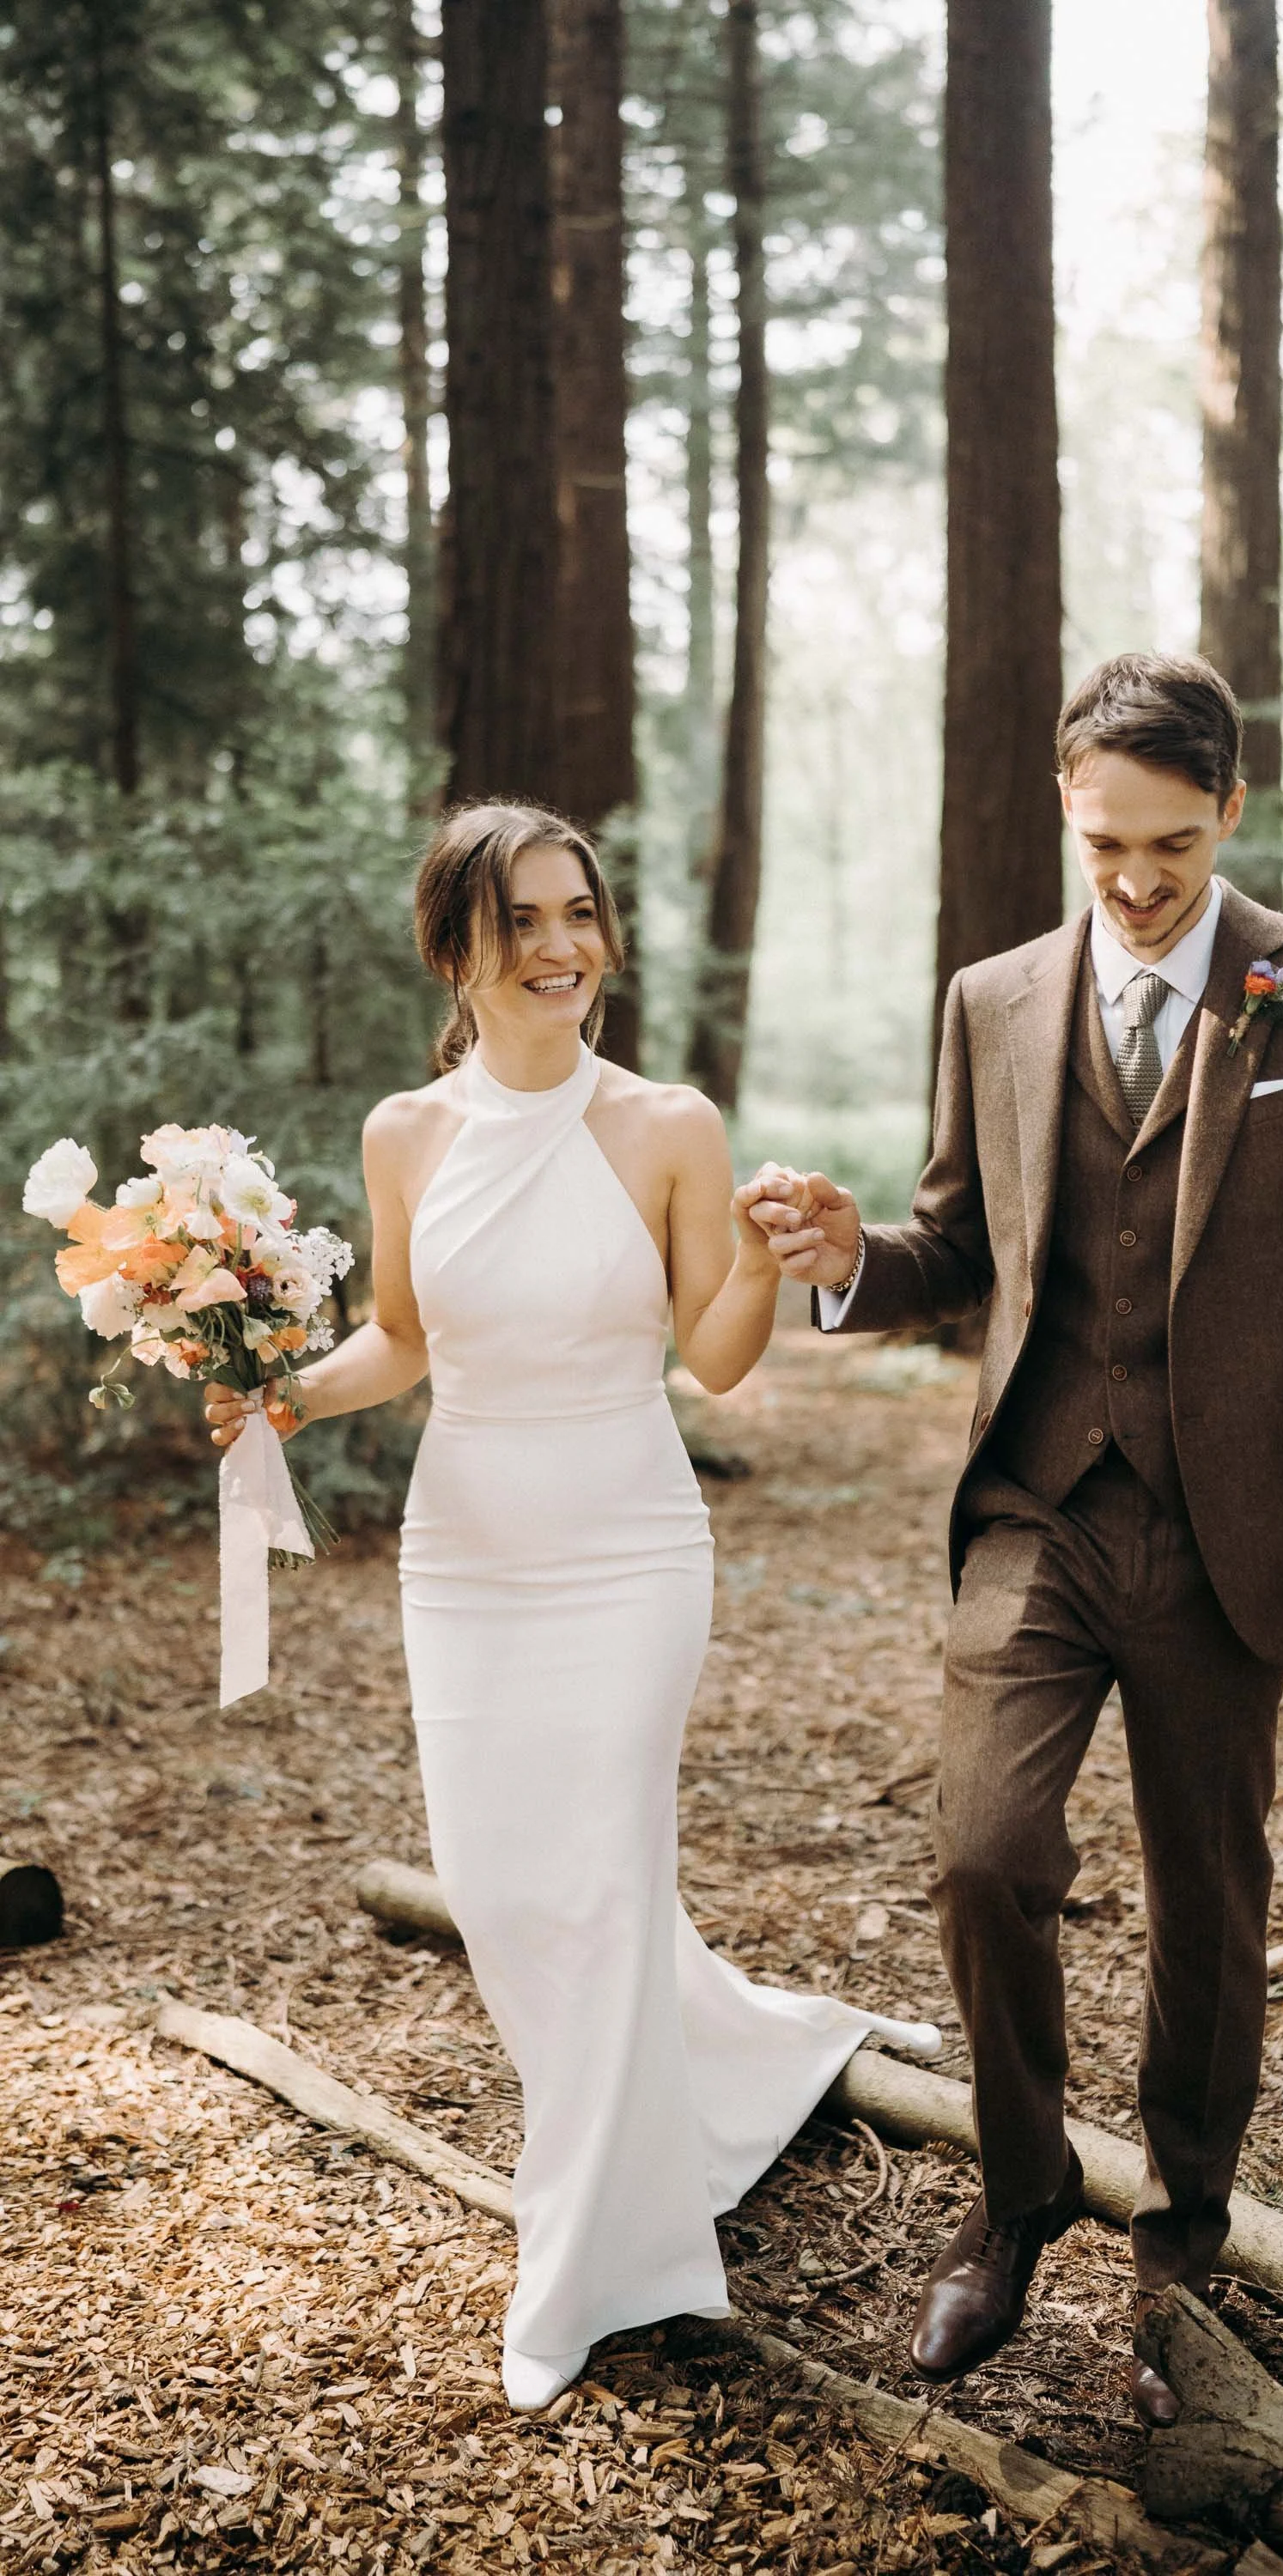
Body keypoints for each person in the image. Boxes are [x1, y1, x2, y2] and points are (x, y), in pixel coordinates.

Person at [750, 654, 1283, 2427]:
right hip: (1037, 1505)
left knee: (1207, 1901)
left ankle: (1181, 2237)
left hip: (1229, 1529)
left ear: (1229, 813)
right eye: (1107, 843)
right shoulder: (995, 998)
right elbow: (962, 1242)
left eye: (1172, 846)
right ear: (1064, 805)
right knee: (983, 1855)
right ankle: (1018, 2197)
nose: (1138, 881)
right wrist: (857, 1259)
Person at [204, 801, 937, 2413]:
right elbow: (402, 1338)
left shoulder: (669, 1122)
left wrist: (756, 1257)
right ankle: (751, 2058)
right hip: (464, 1553)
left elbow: (716, 1356)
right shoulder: (411, 1133)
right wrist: (284, 1399)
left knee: (597, 1878)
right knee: (498, 1882)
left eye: (579, 915)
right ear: (457, 949)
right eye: (520, 922)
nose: (559, 949)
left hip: (628, 1548)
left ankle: (603, 2258)